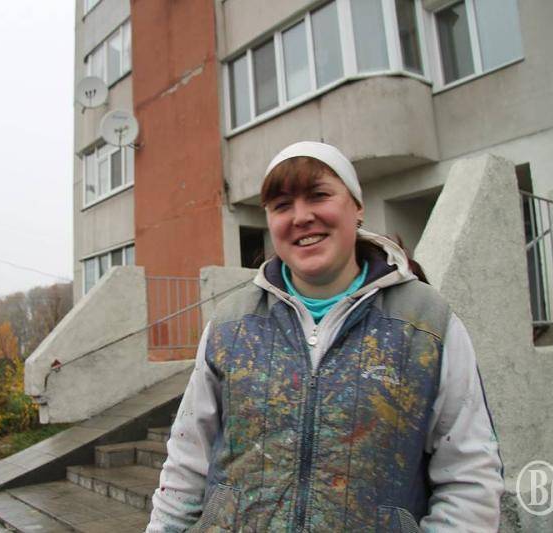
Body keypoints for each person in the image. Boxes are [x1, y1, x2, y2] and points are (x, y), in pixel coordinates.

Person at [146, 142, 504, 532]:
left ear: (357, 207)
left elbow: (469, 476)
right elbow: (187, 461)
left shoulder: (424, 322)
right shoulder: (232, 324)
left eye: (318, 195)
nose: (301, 217)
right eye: (282, 205)